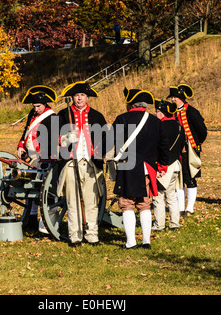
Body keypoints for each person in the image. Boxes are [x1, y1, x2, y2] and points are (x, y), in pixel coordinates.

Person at [112, 88, 168, 249]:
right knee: (144, 203)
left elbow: (109, 140)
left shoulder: (122, 118)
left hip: (127, 166)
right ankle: (146, 241)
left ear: (130, 103)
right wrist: (162, 165)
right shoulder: (156, 121)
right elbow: (164, 146)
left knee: (127, 203)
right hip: (147, 168)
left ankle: (131, 242)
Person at [57, 81, 107, 246]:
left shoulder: (97, 116)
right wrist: (65, 139)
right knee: (73, 202)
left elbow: (106, 139)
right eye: (77, 96)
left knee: (91, 202)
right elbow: (54, 139)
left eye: (82, 96)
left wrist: (98, 153)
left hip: (91, 164)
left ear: (87, 97)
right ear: (72, 97)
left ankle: (92, 236)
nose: (79, 99)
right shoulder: (63, 115)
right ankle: (75, 236)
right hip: (71, 164)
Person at [16, 85, 58, 230]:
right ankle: (31, 218)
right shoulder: (32, 114)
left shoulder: (52, 117)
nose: (36, 109)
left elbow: (52, 139)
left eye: (38, 106)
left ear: (45, 104)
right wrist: (21, 145)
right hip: (30, 155)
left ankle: (44, 220)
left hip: (44, 156)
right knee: (30, 186)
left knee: (41, 188)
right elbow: (26, 130)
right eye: (34, 106)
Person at [169, 84, 207, 216]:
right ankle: (180, 208)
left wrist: (196, 144)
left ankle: (189, 208)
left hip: (189, 149)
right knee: (178, 179)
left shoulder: (192, 111)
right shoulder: (172, 112)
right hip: (175, 150)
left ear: (179, 98)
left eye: (174, 97)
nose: (172, 100)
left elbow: (202, 131)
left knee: (190, 177)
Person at [151, 99, 185, 232]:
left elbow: (157, 148)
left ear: (163, 112)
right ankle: (174, 224)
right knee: (171, 195)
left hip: (164, 166)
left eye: (157, 111)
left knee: (158, 196)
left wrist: (159, 166)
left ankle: (159, 225)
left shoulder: (160, 127)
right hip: (176, 164)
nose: (155, 113)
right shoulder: (179, 127)